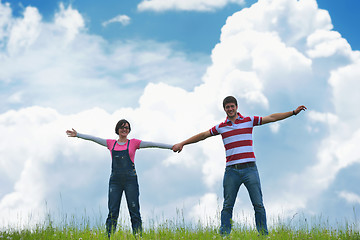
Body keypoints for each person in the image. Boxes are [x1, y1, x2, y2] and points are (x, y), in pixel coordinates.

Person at [172, 96, 307, 236]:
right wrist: (182, 143)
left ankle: (263, 235)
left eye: (232, 106)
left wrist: (293, 112)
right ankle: (224, 235)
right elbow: (203, 135)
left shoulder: (249, 121)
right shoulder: (221, 127)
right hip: (232, 172)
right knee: (227, 206)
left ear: (237, 107)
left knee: (258, 204)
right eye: (227, 107)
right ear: (224, 109)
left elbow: (272, 118)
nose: (230, 109)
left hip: (250, 169)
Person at [66, 119, 173, 238]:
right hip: (115, 182)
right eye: (122, 127)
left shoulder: (134, 143)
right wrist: (78, 135)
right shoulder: (111, 143)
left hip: (130, 181)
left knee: (134, 211)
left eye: (126, 127)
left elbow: (153, 144)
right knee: (113, 211)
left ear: (129, 130)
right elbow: (94, 139)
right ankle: (109, 236)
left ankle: (138, 236)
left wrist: (171, 147)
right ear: (117, 129)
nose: (124, 129)